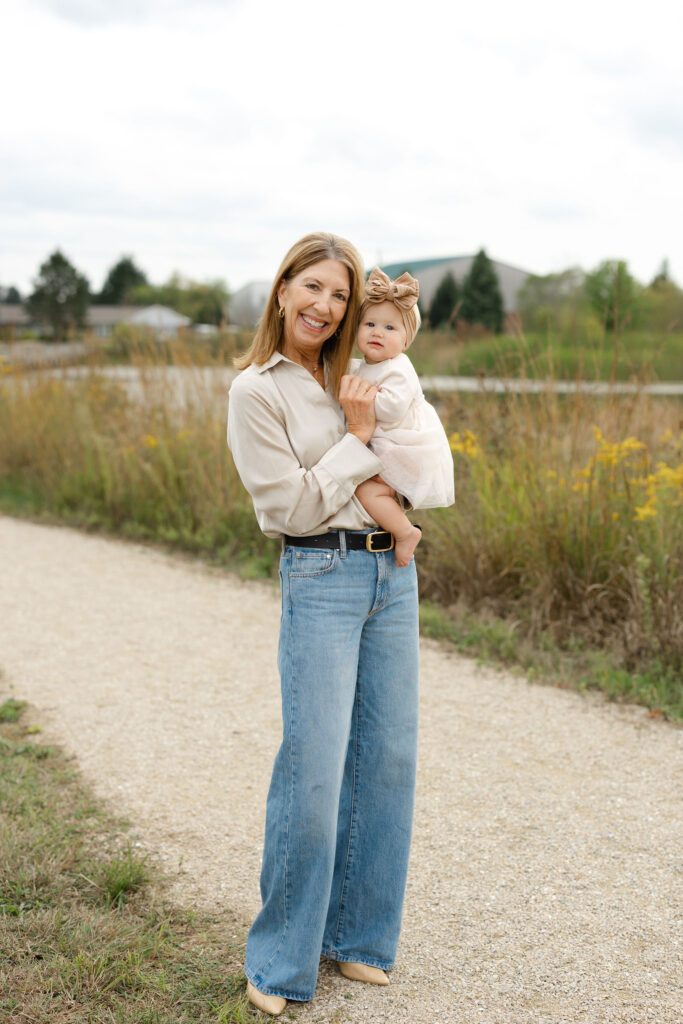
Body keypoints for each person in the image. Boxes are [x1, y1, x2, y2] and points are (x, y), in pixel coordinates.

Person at [227, 233, 420, 1016]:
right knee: (312, 770)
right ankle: (278, 964)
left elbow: (407, 440)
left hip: (393, 573)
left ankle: (359, 939)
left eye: (339, 295)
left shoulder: (361, 369)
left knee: (387, 760)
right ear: (281, 291)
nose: (325, 306)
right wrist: (357, 443)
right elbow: (288, 506)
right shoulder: (256, 390)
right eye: (311, 288)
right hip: (320, 572)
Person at [353, 267, 455, 567]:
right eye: (369, 323)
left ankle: (405, 532)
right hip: (390, 445)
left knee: (365, 489)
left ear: (406, 341)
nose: (377, 332)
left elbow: (391, 408)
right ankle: (398, 528)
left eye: (390, 328)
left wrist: (361, 398)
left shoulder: (399, 367)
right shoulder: (365, 365)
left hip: (405, 446)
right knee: (368, 487)